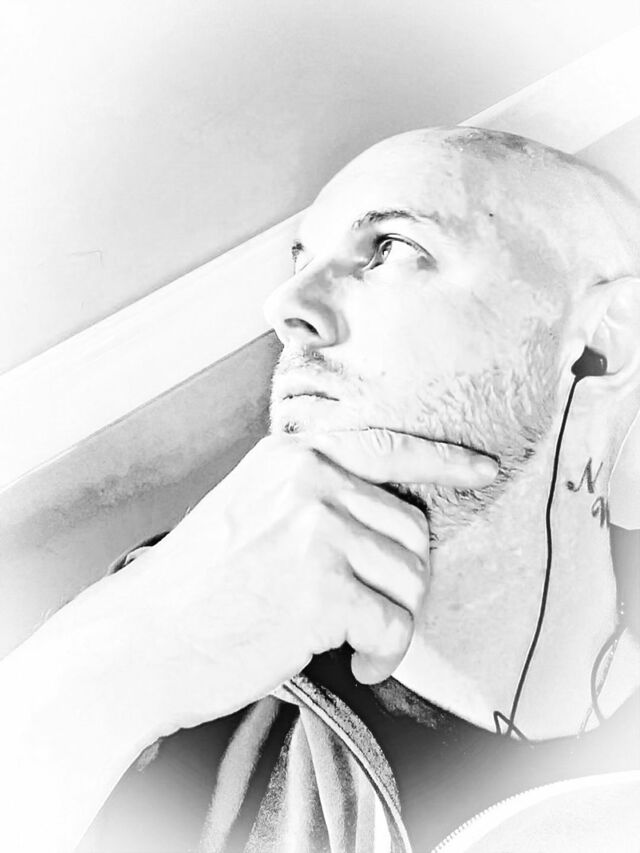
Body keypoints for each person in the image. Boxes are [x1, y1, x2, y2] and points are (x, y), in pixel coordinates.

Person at [1, 126, 639, 852]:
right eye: (301, 261)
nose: (286, 305)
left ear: (603, 340)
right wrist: (114, 654)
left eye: (392, 247)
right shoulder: (177, 719)